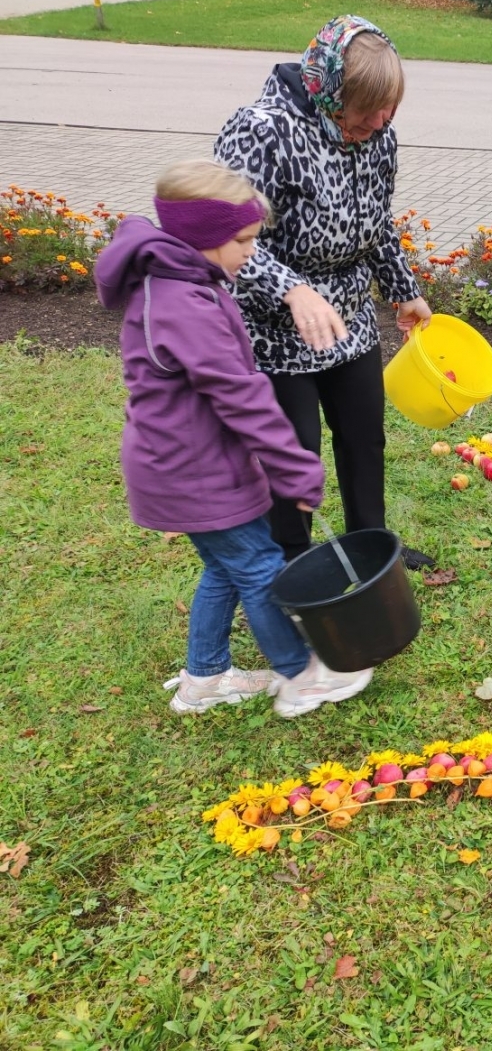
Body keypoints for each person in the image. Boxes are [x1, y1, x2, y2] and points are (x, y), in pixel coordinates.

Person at [96, 160, 375, 719]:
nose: (252, 250)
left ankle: (205, 676)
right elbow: (242, 396)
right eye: (243, 239)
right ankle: (302, 676)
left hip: (191, 460)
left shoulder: (181, 281)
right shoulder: (185, 306)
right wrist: (295, 468)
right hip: (192, 470)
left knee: (226, 563)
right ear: (203, 238)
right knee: (257, 564)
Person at [214, 16, 434, 568]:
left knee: (364, 439)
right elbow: (220, 236)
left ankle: (371, 550)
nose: (379, 123)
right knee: (294, 457)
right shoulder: (261, 131)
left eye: (389, 110)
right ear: (328, 90)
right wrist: (291, 290)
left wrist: (404, 289)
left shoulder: (379, 134)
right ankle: (290, 564)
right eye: (365, 111)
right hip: (276, 331)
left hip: (351, 321)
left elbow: (377, 222)